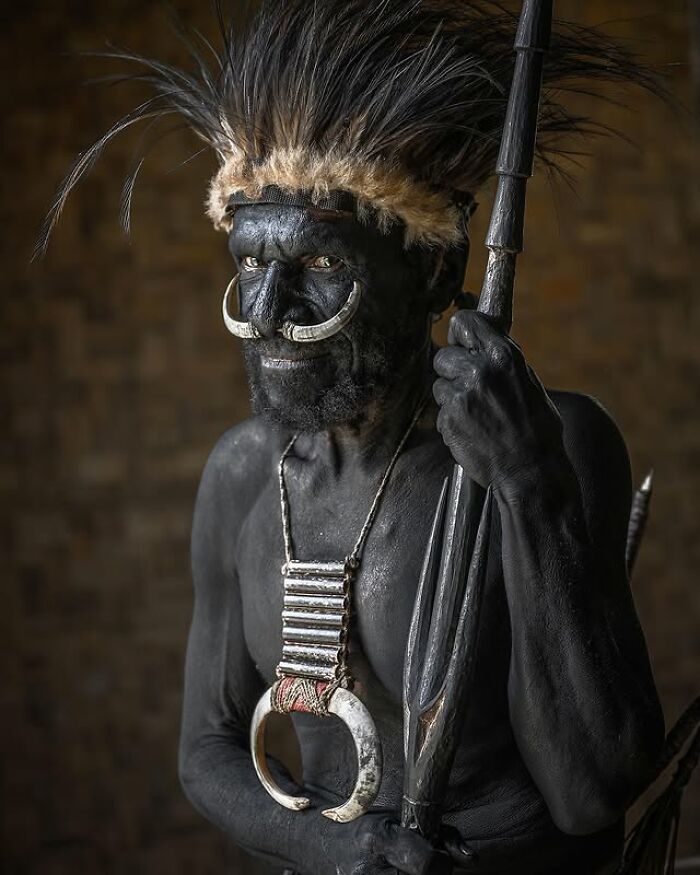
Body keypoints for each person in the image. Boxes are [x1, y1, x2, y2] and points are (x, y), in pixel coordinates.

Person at [41, 2, 667, 872]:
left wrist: (533, 487)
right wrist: (332, 846)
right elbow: (207, 749)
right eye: (251, 263)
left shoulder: (551, 440)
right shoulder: (241, 475)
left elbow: (593, 790)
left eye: (321, 265)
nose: (265, 315)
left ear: (436, 271)